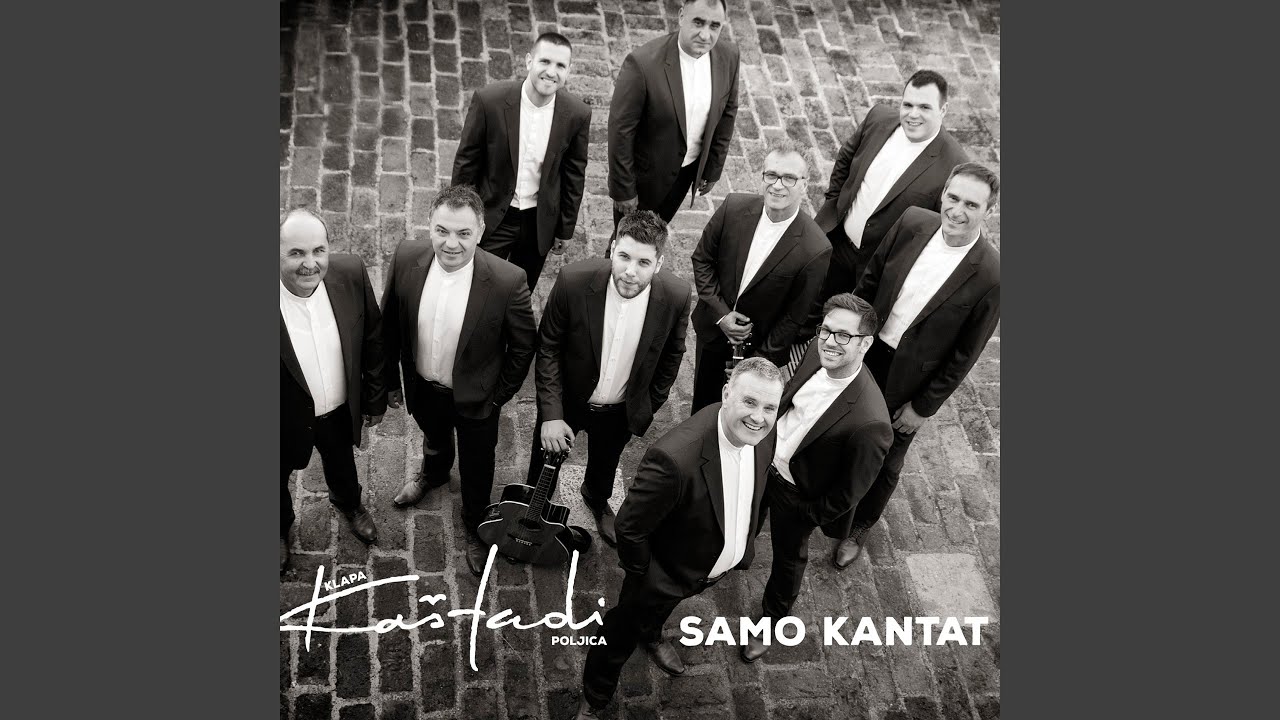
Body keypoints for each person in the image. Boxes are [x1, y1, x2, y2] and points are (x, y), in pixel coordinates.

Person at [575, 358, 784, 720]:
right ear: (726, 394)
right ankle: (596, 695)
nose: (759, 417)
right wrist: (648, 578)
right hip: (661, 576)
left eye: (769, 407)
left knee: (658, 613)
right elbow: (630, 527)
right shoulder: (674, 459)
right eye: (749, 402)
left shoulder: (765, 435)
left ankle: (652, 633)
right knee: (619, 633)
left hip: (699, 571)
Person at [832, 162, 1001, 568]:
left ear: (989, 211)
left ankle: (860, 525)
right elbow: (870, 281)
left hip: (909, 379)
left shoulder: (992, 275)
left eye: (971, 205)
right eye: (953, 197)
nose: (957, 211)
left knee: (886, 459)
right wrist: (846, 337)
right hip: (866, 347)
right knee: (835, 421)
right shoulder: (911, 222)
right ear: (943, 194)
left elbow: (965, 354)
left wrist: (923, 408)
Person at [380, 184, 538, 576]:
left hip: (477, 398)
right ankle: (433, 475)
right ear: (429, 225)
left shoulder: (507, 281)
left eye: (463, 233)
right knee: (433, 436)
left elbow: (523, 347)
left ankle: (474, 522)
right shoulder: (406, 258)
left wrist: (497, 396)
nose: (451, 243)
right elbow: (389, 324)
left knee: (477, 464)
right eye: (442, 231)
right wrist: (391, 381)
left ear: (480, 232)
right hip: (423, 386)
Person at [740, 293, 892, 662]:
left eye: (844, 336)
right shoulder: (815, 350)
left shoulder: (871, 422)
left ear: (865, 344)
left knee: (788, 560)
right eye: (826, 330)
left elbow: (850, 491)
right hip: (765, 460)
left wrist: (808, 513)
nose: (830, 342)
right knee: (745, 516)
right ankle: (737, 552)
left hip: (797, 494)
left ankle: (771, 621)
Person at [526, 211, 693, 546]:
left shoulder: (676, 296)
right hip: (568, 401)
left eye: (643, 263)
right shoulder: (573, 281)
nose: (630, 271)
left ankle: (596, 496)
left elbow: (672, 355)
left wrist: (647, 405)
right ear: (613, 248)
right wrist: (552, 415)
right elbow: (548, 349)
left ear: (659, 263)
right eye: (624, 256)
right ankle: (535, 504)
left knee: (606, 461)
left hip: (619, 409)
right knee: (543, 465)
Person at [688, 139, 831, 413]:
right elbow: (702, 259)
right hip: (714, 331)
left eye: (789, 178)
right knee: (702, 404)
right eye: (771, 175)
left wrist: (756, 364)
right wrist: (721, 315)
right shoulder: (733, 207)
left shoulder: (816, 248)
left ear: (804, 184)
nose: (777, 185)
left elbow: (794, 318)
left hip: (757, 352)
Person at [279, 209, 386, 571]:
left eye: (318, 251)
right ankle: (279, 527)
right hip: (282, 418)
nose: (310, 264)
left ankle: (349, 503)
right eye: (296, 253)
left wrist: (374, 397)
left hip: (338, 410)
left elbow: (373, 336)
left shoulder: (350, 273)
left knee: (342, 461)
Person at [812, 70, 969, 304]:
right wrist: (834, 202)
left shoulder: (955, 166)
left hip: (877, 270)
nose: (913, 114)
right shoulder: (878, 118)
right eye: (908, 105)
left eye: (924, 107)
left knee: (847, 318)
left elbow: (940, 229)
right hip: (837, 241)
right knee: (809, 299)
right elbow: (846, 157)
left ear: (943, 110)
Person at [452, 31, 591, 292]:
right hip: (492, 214)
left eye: (560, 65)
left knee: (519, 290)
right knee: (476, 284)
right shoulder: (489, 101)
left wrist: (565, 229)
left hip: (538, 223)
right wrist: (459, 215)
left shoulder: (577, 114)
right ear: (529, 61)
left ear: (569, 71)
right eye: (545, 61)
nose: (551, 72)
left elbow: (574, 175)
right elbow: (466, 163)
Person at [607, 0, 739, 233]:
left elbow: (728, 111)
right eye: (698, 22)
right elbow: (621, 130)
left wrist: (712, 169)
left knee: (656, 232)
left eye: (714, 26)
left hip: (685, 173)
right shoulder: (642, 64)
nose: (705, 35)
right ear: (681, 16)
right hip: (645, 178)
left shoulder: (729, 56)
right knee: (626, 240)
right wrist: (623, 189)